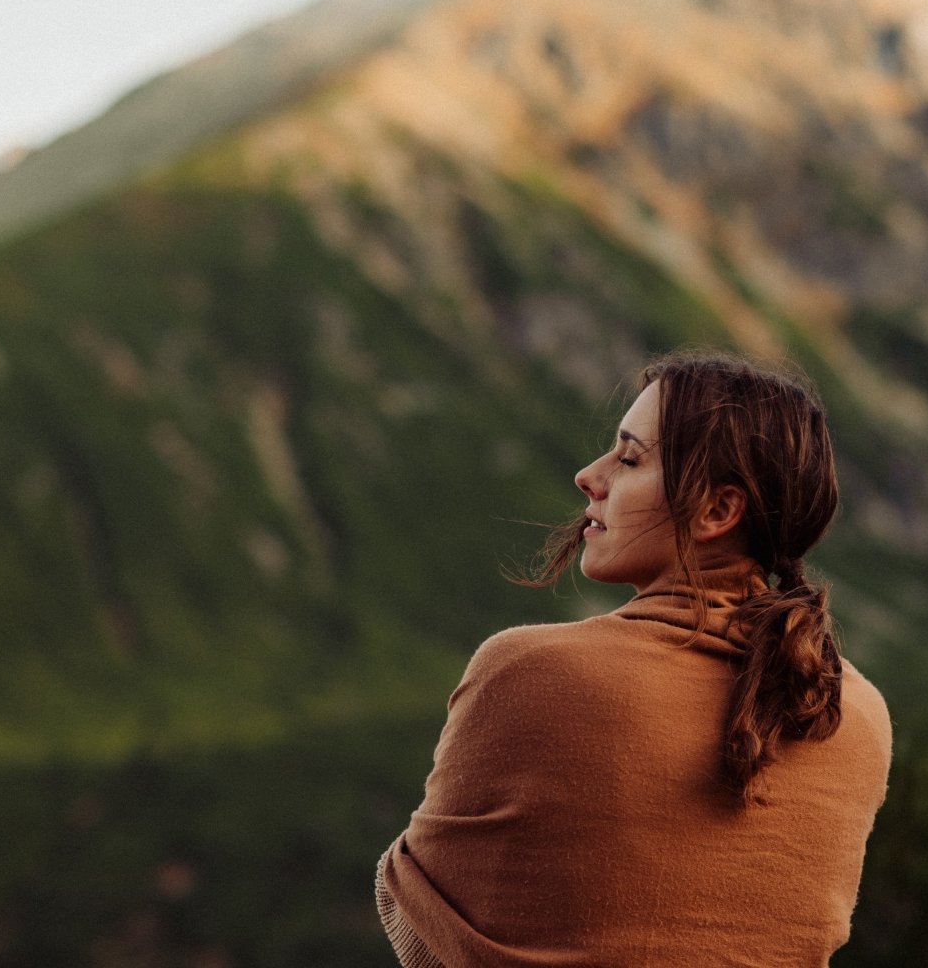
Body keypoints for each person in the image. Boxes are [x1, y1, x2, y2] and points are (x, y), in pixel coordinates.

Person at [376, 352, 892, 967]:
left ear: (717, 511)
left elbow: (424, 927)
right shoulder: (853, 712)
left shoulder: (527, 673)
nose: (588, 476)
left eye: (629, 459)